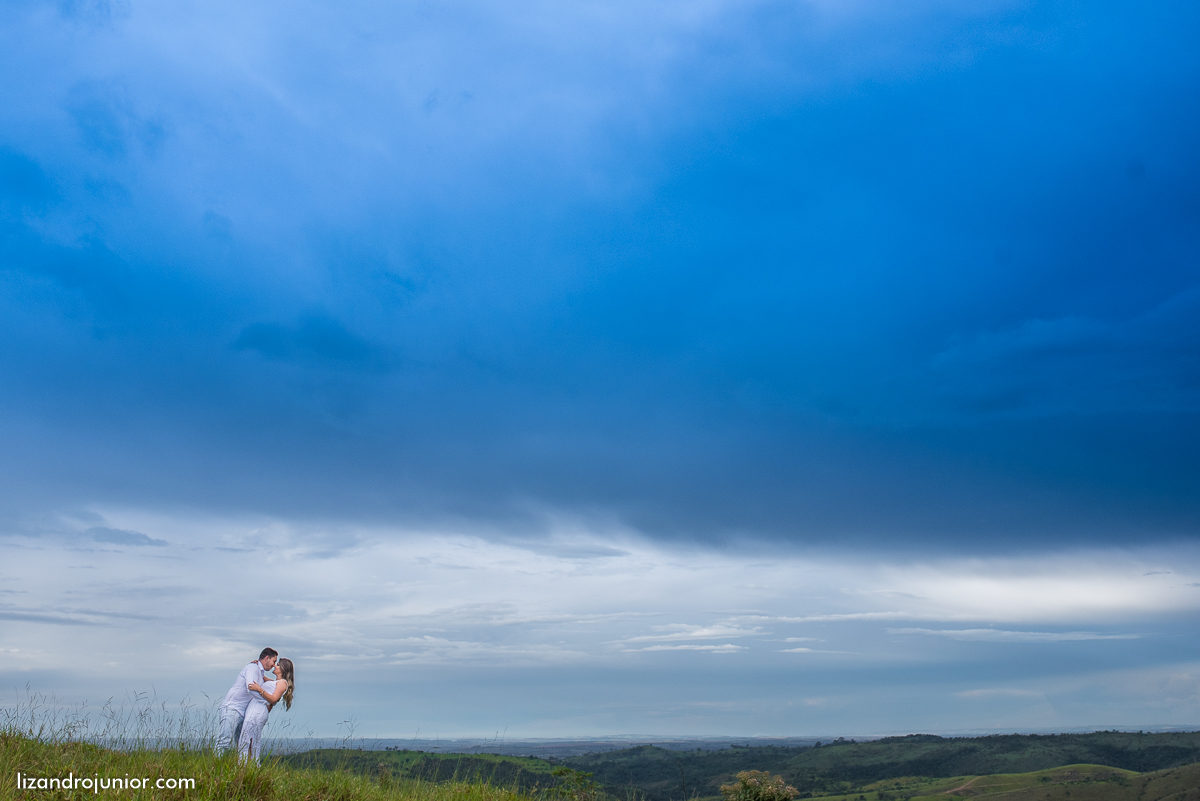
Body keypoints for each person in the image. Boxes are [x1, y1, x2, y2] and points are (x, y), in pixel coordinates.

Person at [216, 648, 277, 755]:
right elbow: (251, 688)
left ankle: (240, 769)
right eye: (274, 661)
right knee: (225, 741)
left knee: (242, 745)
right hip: (232, 708)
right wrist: (266, 702)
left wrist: (283, 684)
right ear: (267, 658)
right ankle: (215, 768)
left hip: (243, 712)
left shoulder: (259, 672)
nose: (274, 665)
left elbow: (275, 685)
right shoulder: (253, 668)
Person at [238, 657, 294, 764]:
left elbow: (273, 699)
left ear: (282, 669)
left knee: (249, 739)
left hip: (258, 710)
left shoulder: (283, 683)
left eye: (277, 665)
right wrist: (257, 664)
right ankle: (247, 764)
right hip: (255, 708)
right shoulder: (276, 682)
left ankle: (247, 764)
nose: (274, 666)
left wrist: (259, 689)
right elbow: (261, 677)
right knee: (249, 738)